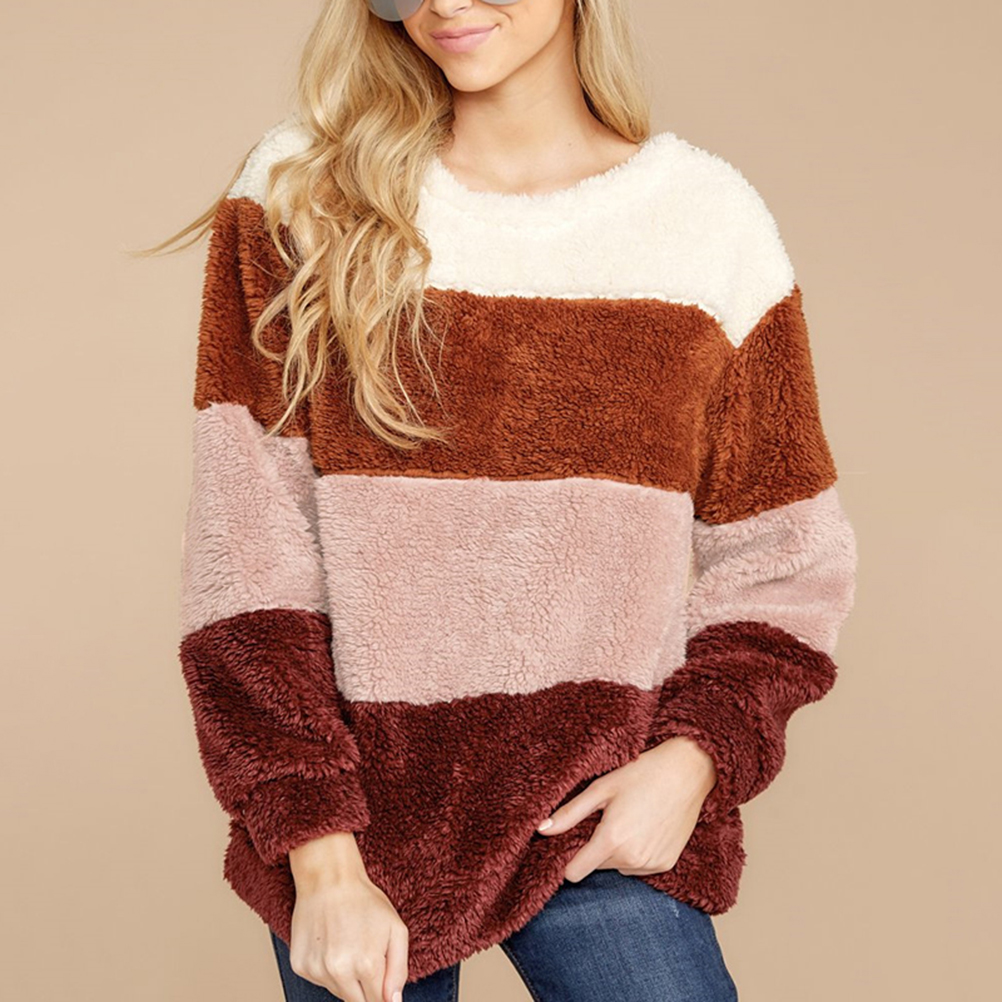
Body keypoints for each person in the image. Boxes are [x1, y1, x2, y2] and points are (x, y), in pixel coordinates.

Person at [150, 1, 858, 1000]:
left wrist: (692, 762)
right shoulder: (302, 197)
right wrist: (320, 856)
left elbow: (787, 559)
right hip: (357, 824)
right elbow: (248, 557)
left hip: (597, 801)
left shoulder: (706, 224)